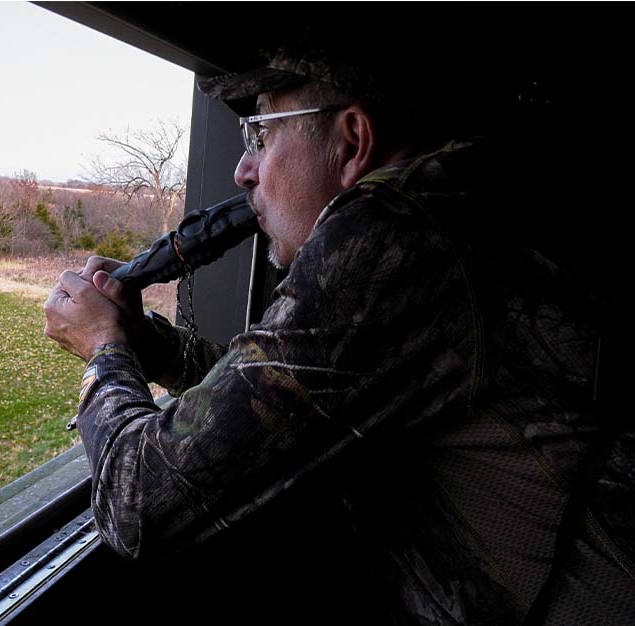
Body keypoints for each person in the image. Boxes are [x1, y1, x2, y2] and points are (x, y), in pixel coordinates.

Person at [43, 34, 631, 625]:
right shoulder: (461, 194)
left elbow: (140, 505)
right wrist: (150, 344)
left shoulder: (395, 229)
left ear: (352, 141)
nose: (244, 170)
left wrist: (104, 350)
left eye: (264, 134)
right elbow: (289, 399)